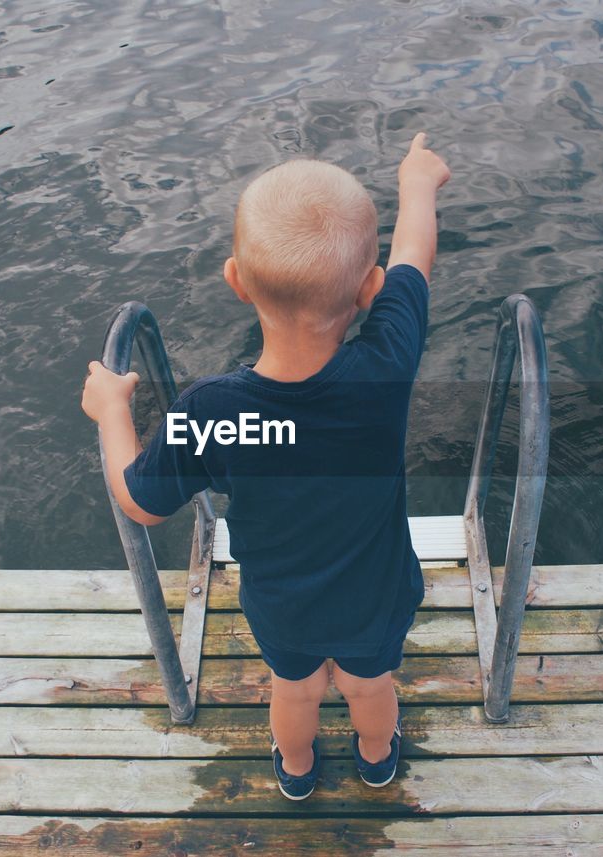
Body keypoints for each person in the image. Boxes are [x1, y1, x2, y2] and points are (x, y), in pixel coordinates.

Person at [82, 132, 450, 800]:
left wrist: (111, 410)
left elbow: (138, 500)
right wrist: (417, 185)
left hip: (285, 607)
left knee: (297, 687)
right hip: (378, 593)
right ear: (368, 291)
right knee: (371, 682)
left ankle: (299, 768)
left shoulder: (215, 412)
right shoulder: (386, 369)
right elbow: (413, 260)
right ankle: (376, 757)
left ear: (236, 282)